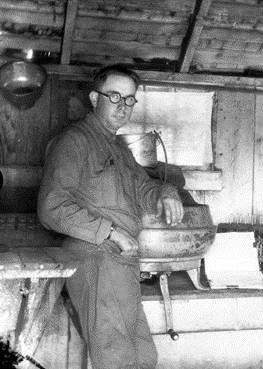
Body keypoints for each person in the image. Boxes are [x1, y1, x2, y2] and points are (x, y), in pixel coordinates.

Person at [38, 65, 184, 369]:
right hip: (96, 258)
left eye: (130, 99)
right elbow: (51, 207)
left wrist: (167, 192)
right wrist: (110, 231)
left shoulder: (118, 147)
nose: (123, 106)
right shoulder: (74, 142)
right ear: (95, 98)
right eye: (115, 96)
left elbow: (144, 190)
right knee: (117, 357)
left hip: (121, 262)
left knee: (143, 356)